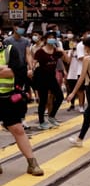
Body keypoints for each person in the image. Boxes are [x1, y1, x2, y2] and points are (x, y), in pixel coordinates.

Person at [0, 38, 44, 176]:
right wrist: (5, 70)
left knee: (18, 129)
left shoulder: (9, 50)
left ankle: (32, 163)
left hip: (8, 98)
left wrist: (9, 71)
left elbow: (19, 71)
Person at [33, 30, 69, 129]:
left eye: (53, 37)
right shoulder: (40, 51)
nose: (52, 39)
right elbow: (34, 62)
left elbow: (67, 60)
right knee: (43, 100)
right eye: (49, 37)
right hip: (41, 77)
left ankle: (51, 116)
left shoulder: (56, 51)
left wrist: (62, 52)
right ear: (45, 39)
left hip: (51, 77)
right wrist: (32, 70)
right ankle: (41, 122)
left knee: (60, 97)